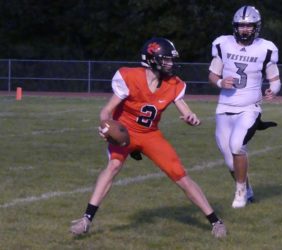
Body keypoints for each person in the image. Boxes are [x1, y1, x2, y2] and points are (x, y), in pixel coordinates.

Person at [70, 37, 227, 238]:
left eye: (171, 60)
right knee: (113, 166)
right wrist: (104, 126)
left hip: (150, 134)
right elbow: (106, 110)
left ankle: (215, 221)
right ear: (152, 59)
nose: (171, 63)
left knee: (180, 175)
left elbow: (185, 109)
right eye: (166, 59)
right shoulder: (129, 77)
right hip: (124, 132)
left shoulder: (174, 84)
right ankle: (86, 220)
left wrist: (191, 117)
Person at [208, 6, 281, 208]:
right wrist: (221, 83)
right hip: (224, 107)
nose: (245, 29)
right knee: (230, 162)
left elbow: (275, 79)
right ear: (235, 26)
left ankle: (239, 193)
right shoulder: (223, 44)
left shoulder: (265, 48)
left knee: (237, 146)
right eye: (241, 25)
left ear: (256, 27)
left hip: (249, 107)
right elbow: (213, 75)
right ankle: (247, 189)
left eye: (249, 25)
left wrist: (273, 90)